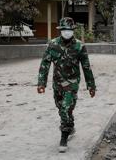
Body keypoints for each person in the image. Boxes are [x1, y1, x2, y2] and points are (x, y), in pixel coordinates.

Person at [37, 17, 96, 152]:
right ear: (60, 30)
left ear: (73, 30)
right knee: (61, 108)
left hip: (72, 84)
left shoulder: (79, 46)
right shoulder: (52, 45)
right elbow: (45, 64)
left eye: (69, 30)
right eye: (65, 30)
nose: (67, 32)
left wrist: (91, 86)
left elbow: (86, 67)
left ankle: (64, 137)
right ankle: (70, 126)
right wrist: (41, 83)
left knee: (65, 108)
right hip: (57, 84)